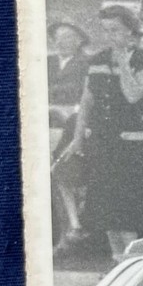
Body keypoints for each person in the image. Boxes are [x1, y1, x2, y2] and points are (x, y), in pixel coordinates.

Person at [55, 5, 143, 260]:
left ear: (130, 30)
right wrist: (78, 139)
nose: (109, 36)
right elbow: (86, 102)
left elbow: (133, 95)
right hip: (102, 143)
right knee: (107, 214)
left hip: (129, 144)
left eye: (115, 30)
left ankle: (132, 266)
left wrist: (124, 64)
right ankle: (117, 262)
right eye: (105, 30)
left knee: (127, 213)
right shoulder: (98, 60)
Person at [48, 21, 92, 255]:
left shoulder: (87, 64)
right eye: (57, 37)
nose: (60, 41)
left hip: (74, 126)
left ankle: (73, 230)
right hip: (47, 126)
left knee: (63, 172)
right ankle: (64, 236)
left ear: (79, 40)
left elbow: (86, 98)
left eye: (67, 36)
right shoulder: (46, 63)